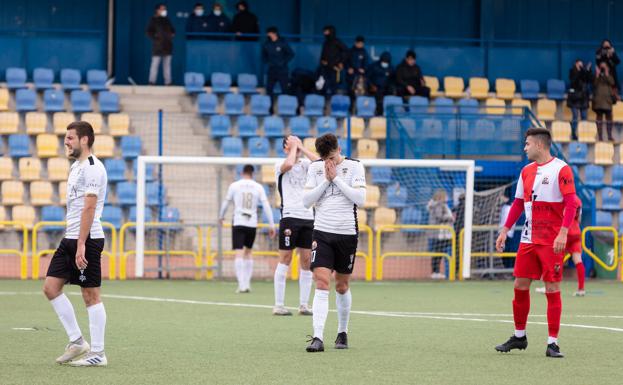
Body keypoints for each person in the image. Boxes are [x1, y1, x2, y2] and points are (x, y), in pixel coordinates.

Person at [495, 128, 578, 359]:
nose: (525, 148)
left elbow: (571, 203)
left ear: (540, 145)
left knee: (552, 288)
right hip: (528, 239)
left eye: (527, 144)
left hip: (552, 241)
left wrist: (563, 233)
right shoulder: (526, 171)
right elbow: (518, 203)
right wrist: (505, 230)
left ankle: (553, 343)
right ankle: (519, 336)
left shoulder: (561, 169)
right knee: (520, 285)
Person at [42, 121, 109, 366]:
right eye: (66, 137)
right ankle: (77, 342)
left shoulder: (93, 168)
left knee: (90, 294)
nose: (66, 141)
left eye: (70, 137)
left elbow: (89, 208)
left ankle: (98, 354)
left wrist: (81, 243)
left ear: (84, 140)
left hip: (87, 239)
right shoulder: (76, 167)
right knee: (50, 287)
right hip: (71, 237)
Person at [303, 133, 367, 352]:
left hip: (347, 234)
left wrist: (337, 179)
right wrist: (325, 180)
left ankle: (342, 332)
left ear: (339, 149)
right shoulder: (315, 168)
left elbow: (360, 199)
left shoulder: (355, 167)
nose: (328, 162)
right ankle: (317, 337)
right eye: (324, 158)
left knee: (341, 285)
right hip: (321, 232)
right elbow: (306, 201)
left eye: (331, 157)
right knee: (321, 282)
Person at [272, 135, 320, 316]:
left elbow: (319, 162)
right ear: (285, 148)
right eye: (291, 143)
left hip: (308, 217)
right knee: (285, 259)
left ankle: (303, 305)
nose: (296, 146)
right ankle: (278, 305)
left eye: (297, 142)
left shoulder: (307, 164)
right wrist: (293, 148)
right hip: (290, 217)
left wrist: (302, 148)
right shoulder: (279, 165)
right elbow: (289, 165)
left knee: (307, 261)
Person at [219, 165, 276, 293]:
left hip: (239, 221)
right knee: (248, 252)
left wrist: (221, 216)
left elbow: (226, 202)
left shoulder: (235, 185)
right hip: (252, 222)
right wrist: (271, 224)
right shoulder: (258, 187)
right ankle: (247, 283)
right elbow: (266, 205)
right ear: (252, 173)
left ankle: (241, 284)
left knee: (239, 252)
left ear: (242, 173)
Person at [536, 196, 585, 296]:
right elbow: (579, 218)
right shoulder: (578, 200)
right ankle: (581, 289)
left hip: (565, 231)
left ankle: (549, 285)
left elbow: (562, 215)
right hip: (576, 231)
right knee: (578, 260)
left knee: (554, 260)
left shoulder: (564, 198)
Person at [427, 189, 455, 279]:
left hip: (437, 233)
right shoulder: (439, 205)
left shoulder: (437, 205)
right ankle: (436, 272)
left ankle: (436, 272)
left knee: (438, 252)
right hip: (439, 233)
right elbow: (439, 217)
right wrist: (450, 218)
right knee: (438, 252)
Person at [146, 4, 175, 85]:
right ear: (157, 10)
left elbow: (173, 30)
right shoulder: (153, 20)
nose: (164, 11)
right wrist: (156, 37)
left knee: (167, 65)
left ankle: (168, 82)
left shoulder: (167, 19)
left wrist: (171, 35)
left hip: (168, 45)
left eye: (165, 9)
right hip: (158, 46)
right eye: (162, 9)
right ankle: (151, 81)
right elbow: (148, 32)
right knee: (155, 65)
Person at [261, 26, 294, 98]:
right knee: (269, 89)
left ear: (275, 33)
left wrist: (283, 62)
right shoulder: (266, 44)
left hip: (282, 70)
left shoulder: (282, 42)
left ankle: (285, 107)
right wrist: (267, 62)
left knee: (285, 90)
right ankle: (270, 108)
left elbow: (291, 54)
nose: (268, 35)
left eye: (270, 33)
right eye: (268, 33)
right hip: (272, 69)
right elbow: (264, 55)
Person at [317, 25, 349, 96]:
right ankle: (325, 103)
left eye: (326, 31)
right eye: (324, 31)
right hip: (325, 68)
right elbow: (323, 55)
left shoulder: (337, 42)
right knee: (323, 86)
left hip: (335, 69)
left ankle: (332, 103)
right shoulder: (325, 43)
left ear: (331, 32)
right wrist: (322, 61)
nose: (324, 33)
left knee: (334, 87)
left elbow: (346, 51)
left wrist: (340, 62)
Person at [567, 59, 593, 140]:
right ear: (575, 64)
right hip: (575, 97)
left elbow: (589, 80)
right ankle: (573, 133)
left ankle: (583, 133)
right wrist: (579, 71)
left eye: (582, 64)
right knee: (575, 116)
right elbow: (573, 81)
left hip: (583, 98)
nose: (581, 65)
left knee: (584, 116)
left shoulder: (584, 72)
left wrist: (588, 70)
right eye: (579, 64)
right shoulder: (572, 71)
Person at [593, 62, 616, 141]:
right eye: (601, 67)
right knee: (599, 118)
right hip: (599, 100)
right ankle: (600, 137)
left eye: (604, 67)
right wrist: (597, 74)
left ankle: (609, 135)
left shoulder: (609, 75)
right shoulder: (598, 75)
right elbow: (594, 84)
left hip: (607, 100)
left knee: (609, 118)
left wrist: (606, 72)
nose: (602, 68)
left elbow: (612, 82)